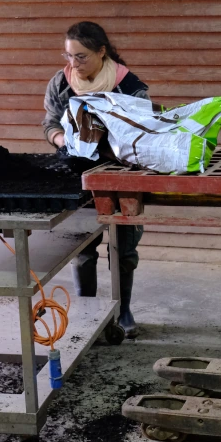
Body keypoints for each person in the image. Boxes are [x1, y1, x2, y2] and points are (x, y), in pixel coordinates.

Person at [42, 21, 148, 339]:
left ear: (102, 52)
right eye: (69, 55)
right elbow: (49, 122)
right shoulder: (60, 83)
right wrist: (63, 139)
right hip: (77, 174)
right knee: (84, 248)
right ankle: (89, 315)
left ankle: (122, 309)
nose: (74, 63)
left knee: (124, 249)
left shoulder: (129, 86)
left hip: (122, 175)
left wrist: (109, 142)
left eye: (82, 56)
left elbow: (143, 130)